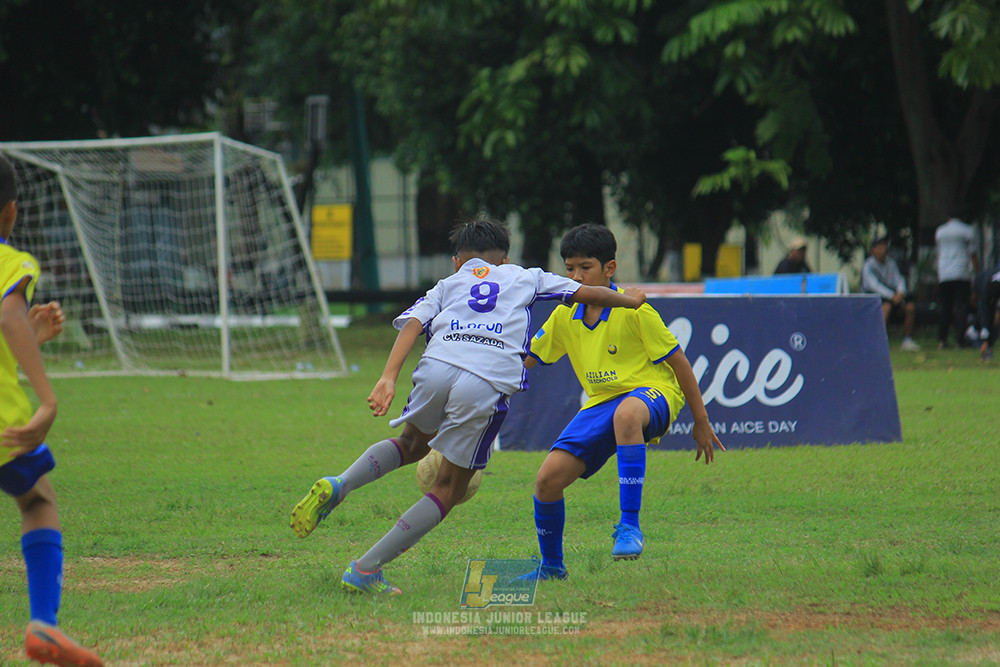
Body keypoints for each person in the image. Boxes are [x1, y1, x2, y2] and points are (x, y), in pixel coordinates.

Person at [289, 217, 647, 594]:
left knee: (412, 445)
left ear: (458, 262)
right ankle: (365, 569)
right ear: (504, 261)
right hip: (485, 380)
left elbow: (412, 323)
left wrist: (388, 377)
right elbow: (586, 293)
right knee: (449, 489)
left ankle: (340, 483)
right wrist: (630, 299)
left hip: (436, 368)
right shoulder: (525, 276)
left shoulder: (449, 283)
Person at [518, 223, 724, 581]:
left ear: (609, 268)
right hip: (600, 405)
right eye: (569, 269)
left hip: (653, 392)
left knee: (628, 413)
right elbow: (527, 360)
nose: (576, 276)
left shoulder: (635, 308)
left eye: (586, 267)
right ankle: (552, 567)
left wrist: (700, 420)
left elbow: (679, 363)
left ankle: (630, 526)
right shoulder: (566, 313)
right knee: (547, 481)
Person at [0, 155, 104, 666]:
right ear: (11, 212)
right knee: (38, 500)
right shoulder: (13, 262)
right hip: (6, 424)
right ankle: (43, 624)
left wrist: (30, 338)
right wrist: (47, 397)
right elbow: (7, 313)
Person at [861, 236, 920, 351]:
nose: (884, 249)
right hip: (876, 298)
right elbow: (874, 286)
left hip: (894, 296)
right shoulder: (868, 266)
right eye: (880, 246)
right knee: (885, 308)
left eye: (885, 245)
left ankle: (907, 340)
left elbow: (899, 279)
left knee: (910, 308)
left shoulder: (891, 263)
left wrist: (901, 292)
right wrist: (892, 296)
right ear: (873, 249)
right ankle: (878, 341)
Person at [935, 215, 979, 349]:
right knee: (961, 307)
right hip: (961, 273)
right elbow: (973, 254)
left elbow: (938, 253)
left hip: (944, 274)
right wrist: (978, 273)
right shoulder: (967, 230)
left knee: (945, 307)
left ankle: (942, 340)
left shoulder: (940, 231)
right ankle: (960, 339)